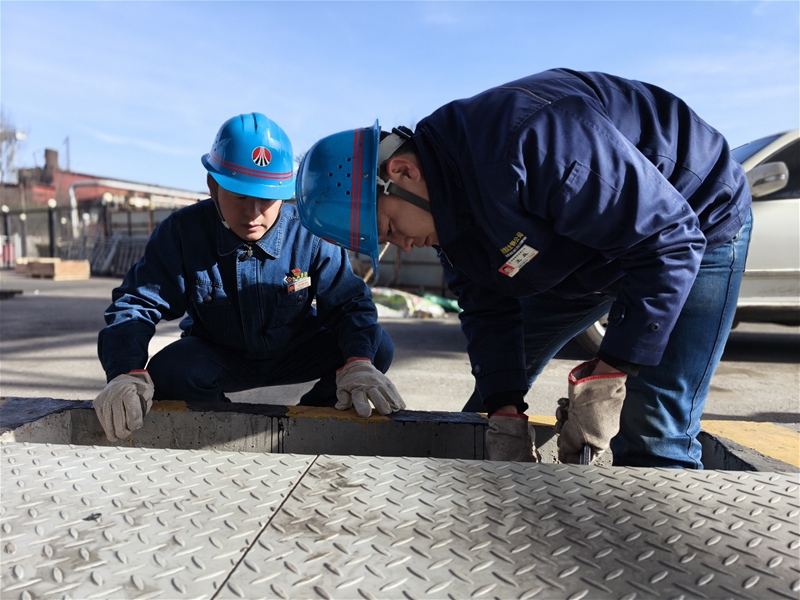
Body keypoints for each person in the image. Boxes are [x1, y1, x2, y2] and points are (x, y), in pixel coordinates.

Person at [294, 69, 752, 469]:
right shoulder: (447, 213)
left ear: (401, 173)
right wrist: (505, 411)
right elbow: (488, 310)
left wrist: (608, 376)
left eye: (390, 228)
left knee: (653, 432)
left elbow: (668, 241)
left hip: (694, 224)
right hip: (584, 253)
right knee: (487, 415)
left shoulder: (533, 141)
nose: (404, 245)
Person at [94, 113, 404, 443]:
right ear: (213, 186)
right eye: (240, 196)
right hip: (221, 355)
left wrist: (358, 361)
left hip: (296, 349)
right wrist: (125, 372)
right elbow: (137, 305)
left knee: (375, 348)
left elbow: (350, 304)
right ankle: (226, 428)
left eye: (266, 198)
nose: (253, 213)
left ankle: (311, 422)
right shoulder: (183, 233)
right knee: (171, 371)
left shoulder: (310, 233)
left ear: (284, 194)